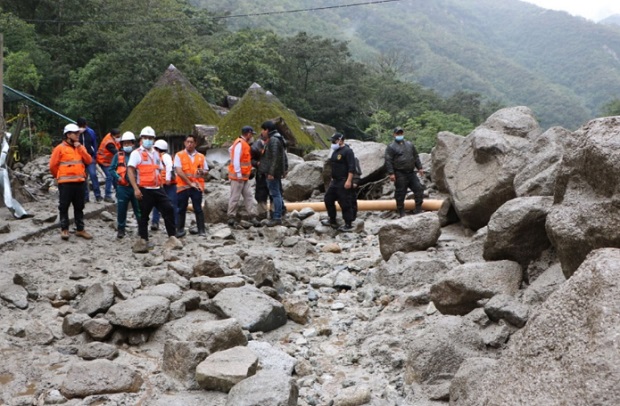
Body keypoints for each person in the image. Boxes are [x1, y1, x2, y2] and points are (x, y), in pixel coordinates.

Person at [127, 126, 177, 248]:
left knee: (168, 209)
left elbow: (158, 171)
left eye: (150, 138)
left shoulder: (156, 154)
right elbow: (130, 170)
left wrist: (161, 185)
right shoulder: (136, 154)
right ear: (141, 139)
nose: (148, 140)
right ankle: (143, 240)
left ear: (154, 140)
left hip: (157, 188)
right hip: (144, 189)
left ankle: (172, 237)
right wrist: (136, 189)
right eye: (146, 138)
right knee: (144, 215)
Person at [49, 123, 94, 240]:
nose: (78, 135)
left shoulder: (80, 147)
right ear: (68, 135)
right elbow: (53, 166)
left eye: (78, 133)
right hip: (65, 183)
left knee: (79, 206)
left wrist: (80, 148)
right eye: (76, 133)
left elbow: (89, 160)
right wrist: (59, 176)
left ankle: (80, 229)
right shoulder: (59, 148)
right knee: (64, 206)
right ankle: (64, 229)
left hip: (80, 182)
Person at [384, 126, 425, 217]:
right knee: (400, 193)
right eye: (398, 133)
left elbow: (415, 156)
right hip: (399, 173)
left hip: (411, 172)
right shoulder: (391, 147)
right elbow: (388, 160)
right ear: (394, 134)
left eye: (401, 133)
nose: (399, 135)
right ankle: (401, 211)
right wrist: (391, 173)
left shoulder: (410, 144)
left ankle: (418, 209)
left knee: (419, 189)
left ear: (403, 133)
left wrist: (420, 168)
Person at [174, 135, 209, 237]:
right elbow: (179, 172)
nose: (189, 144)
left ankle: (201, 230)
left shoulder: (201, 157)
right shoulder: (179, 155)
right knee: (181, 209)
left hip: (197, 186)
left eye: (191, 142)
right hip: (183, 187)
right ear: (184, 143)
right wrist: (190, 183)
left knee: (198, 208)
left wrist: (203, 172)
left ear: (195, 143)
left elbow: (206, 170)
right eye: (187, 142)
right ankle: (180, 230)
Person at [321, 133, 356, 232]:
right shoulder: (335, 151)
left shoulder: (348, 151)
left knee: (345, 202)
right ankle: (332, 219)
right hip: (335, 181)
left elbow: (351, 167)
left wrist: (349, 180)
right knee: (328, 198)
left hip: (344, 180)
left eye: (334, 141)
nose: (332, 143)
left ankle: (348, 223)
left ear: (340, 140)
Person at [109, 131, 141, 239]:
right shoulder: (118, 156)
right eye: (125, 143)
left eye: (129, 143)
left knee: (139, 209)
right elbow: (111, 169)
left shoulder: (137, 155)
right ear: (122, 144)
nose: (127, 145)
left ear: (133, 143)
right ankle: (121, 229)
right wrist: (118, 178)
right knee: (121, 209)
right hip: (122, 187)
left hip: (135, 187)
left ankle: (141, 228)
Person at [227, 126, 259, 227]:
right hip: (238, 177)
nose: (252, 136)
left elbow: (230, 150)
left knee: (248, 196)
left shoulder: (240, 143)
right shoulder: (240, 143)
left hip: (243, 177)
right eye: (251, 134)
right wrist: (239, 173)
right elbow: (236, 160)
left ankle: (252, 215)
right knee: (235, 197)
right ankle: (231, 217)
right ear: (248, 134)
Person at [258, 121, 286, 227]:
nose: (262, 132)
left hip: (272, 172)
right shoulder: (277, 138)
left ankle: (277, 216)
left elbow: (275, 157)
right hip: (275, 171)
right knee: (277, 192)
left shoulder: (273, 140)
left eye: (263, 130)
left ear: (267, 130)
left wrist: (271, 172)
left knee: (275, 194)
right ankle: (280, 212)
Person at [151, 139, 177, 232]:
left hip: (167, 184)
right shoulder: (157, 157)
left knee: (170, 204)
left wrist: (168, 179)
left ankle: (174, 223)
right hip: (160, 183)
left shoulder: (165, 156)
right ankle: (155, 222)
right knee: (158, 203)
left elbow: (169, 167)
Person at [77, 117, 102, 203]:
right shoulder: (76, 133)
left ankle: (98, 195)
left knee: (93, 175)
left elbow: (94, 144)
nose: (82, 128)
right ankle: (85, 197)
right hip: (80, 159)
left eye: (83, 126)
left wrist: (95, 156)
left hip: (90, 157)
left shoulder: (91, 132)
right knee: (83, 178)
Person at [96, 128, 120, 203]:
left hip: (109, 161)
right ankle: (107, 195)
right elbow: (117, 153)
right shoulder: (109, 143)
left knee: (115, 176)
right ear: (113, 136)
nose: (119, 137)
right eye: (117, 136)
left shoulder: (112, 138)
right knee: (109, 176)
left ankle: (118, 193)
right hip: (103, 161)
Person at [250, 129, 270, 220]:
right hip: (261, 173)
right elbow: (252, 159)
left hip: (270, 173)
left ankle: (275, 213)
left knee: (274, 194)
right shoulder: (257, 145)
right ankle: (262, 214)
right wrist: (256, 163)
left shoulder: (274, 142)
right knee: (261, 194)